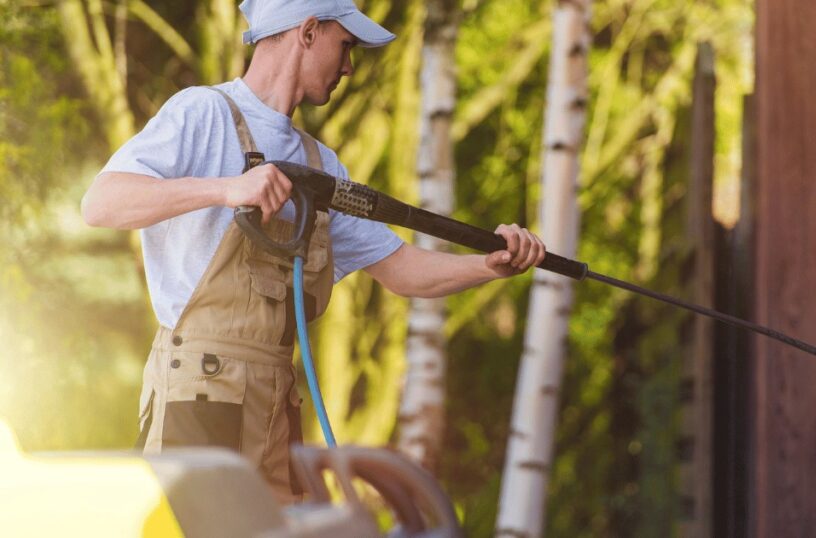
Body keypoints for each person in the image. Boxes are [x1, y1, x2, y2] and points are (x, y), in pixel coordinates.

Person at [80, 0, 546, 504]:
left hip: (277, 405)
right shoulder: (204, 112)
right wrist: (226, 190)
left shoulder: (321, 167)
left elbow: (402, 270)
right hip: (202, 392)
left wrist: (490, 266)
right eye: (345, 45)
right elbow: (101, 203)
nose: (349, 65)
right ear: (306, 31)